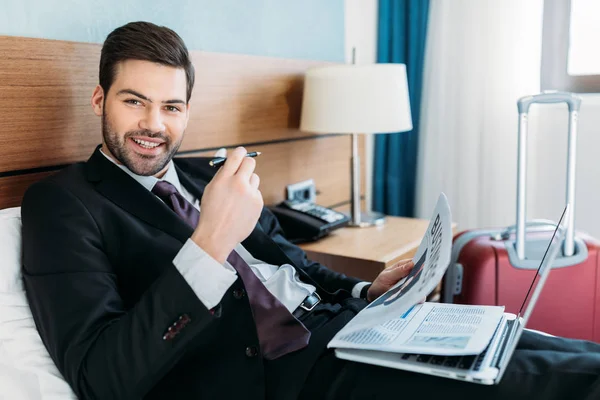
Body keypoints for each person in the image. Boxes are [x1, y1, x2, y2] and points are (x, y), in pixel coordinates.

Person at [20, 21, 600, 400]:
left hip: (350, 327)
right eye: (134, 101)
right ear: (100, 100)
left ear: (188, 112)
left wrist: (366, 293)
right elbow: (102, 378)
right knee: (547, 384)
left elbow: (290, 264)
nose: (154, 124)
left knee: (556, 350)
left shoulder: (209, 174)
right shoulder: (64, 204)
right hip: (286, 373)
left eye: (171, 106)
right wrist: (209, 244)